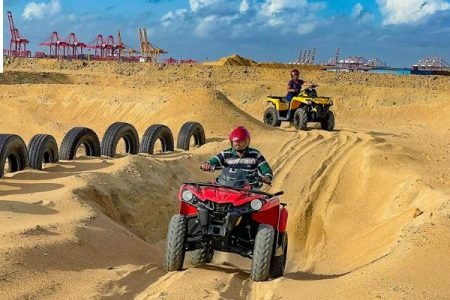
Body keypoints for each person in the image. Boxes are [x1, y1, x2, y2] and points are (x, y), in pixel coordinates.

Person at [200, 126, 273, 189]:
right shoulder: (226, 154)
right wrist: (207, 164)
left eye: (240, 141)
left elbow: (267, 171)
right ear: (231, 142)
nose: (237, 143)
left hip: (250, 189)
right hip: (228, 186)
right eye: (235, 141)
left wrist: (266, 178)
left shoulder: (255, 154)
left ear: (247, 141)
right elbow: (213, 161)